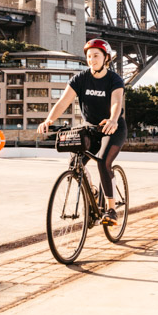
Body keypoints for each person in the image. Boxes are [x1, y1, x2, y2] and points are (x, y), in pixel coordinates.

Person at [37, 38, 126, 225]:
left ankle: (111, 209)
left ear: (106, 58)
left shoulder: (114, 79)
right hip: (91, 129)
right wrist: (49, 120)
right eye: (89, 56)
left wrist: (113, 119)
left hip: (113, 128)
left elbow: (117, 101)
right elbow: (63, 101)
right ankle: (92, 190)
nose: (92, 59)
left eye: (96, 56)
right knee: (74, 164)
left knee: (103, 162)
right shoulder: (80, 79)